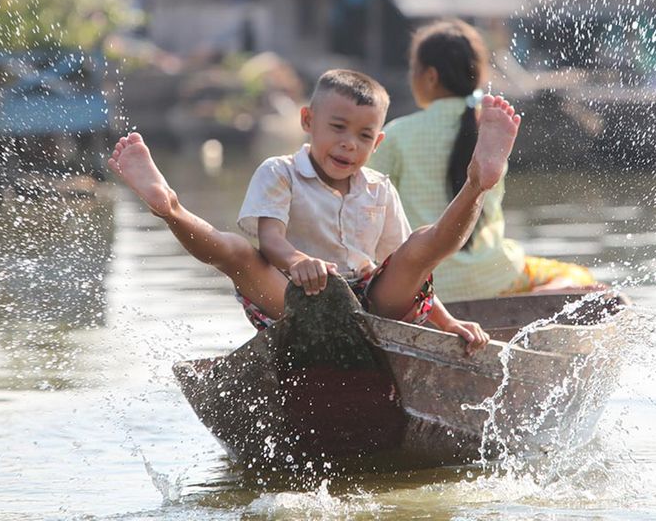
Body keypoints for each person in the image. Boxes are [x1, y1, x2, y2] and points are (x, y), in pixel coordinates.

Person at [108, 69, 521, 353]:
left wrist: (448, 325)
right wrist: (298, 262)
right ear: (308, 121)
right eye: (337, 128)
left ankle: (477, 183)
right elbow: (269, 241)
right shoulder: (280, 172)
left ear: (376, 145)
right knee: (236, 253)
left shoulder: (379, 188)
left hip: (371, 304)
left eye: (363, 136)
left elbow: (412, 268)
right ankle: (171, 207)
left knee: (421, 244)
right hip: (292, 301)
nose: (348, 145)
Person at [369, 20, 597, 303]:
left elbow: (367, 207)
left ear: (429, 76)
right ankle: (536, 299)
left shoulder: (395, 134)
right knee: (579, 276)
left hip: (424, 284)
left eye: (413, 69)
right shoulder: (494, 131)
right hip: (495, 277)